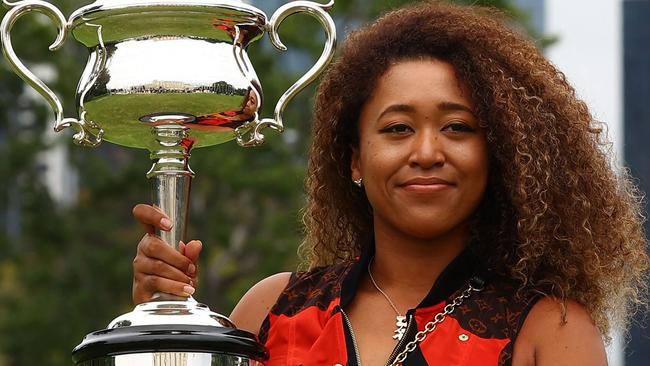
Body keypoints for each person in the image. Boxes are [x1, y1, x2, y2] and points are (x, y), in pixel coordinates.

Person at [130, 1, 648, 365]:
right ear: (354, 161)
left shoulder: (550, 329)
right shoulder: (273, 311)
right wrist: (159, 329)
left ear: (499, 156)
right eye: (397, 128)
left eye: (458, 128)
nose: (427, 153)